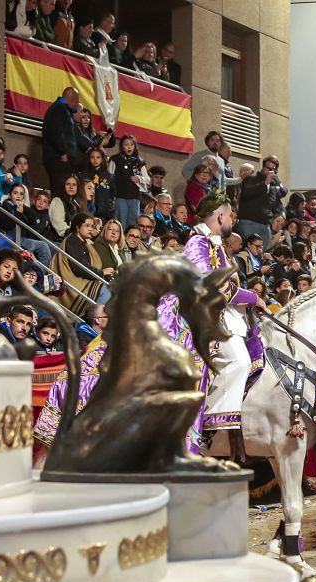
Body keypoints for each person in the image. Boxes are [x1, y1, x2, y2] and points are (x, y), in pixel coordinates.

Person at [157, 190, 268, 460]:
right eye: (230, 215)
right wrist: (253, 297)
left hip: (212, 316)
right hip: (188, 318)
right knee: (238, 359)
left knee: (246, 359)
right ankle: (206, 424)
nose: (233, 220)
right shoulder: (198, 243)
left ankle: (212, 423)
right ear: (220, 216)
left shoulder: (215, 244)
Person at [53, 212, 111, 315]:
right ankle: (93, 320)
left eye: (93, 226)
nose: (91, 229)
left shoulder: (84, 243)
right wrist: (101, 273)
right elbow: (78, 267)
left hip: (83, 281)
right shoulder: (72, 241)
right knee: (106, 290)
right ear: (77, 227)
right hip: (73, 284)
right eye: (87, 226)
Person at [0, 183, 53, 266]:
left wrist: (24, 209)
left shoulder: (21, 207)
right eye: (15, 193)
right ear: (9, 194)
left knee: (51, 247)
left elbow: (33, 219)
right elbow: (7, 225)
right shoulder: (5, 206)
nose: (18, 196)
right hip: (11, 239)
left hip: (21, 238)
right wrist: (17, 212)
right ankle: (40, 273)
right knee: (43, 246)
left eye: (21, 194)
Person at [42, 87, 80, 189]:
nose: (78, 105)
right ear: (72, 100)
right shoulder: (59, 109)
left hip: (60, 160)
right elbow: (55, 133)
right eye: (78, 101)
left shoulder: (62, 109)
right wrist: (63, 153)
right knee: (60, 192)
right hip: (58, 160)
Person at [107, 135, 148, 228]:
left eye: (132, 144)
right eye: (126, 144)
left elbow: (147, 179)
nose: (129, 147)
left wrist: (139, 178)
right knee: (120, 222)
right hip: (120, 196)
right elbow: (108, 176)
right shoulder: (115, 159)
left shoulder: (139, 161)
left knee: (133, 223)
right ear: (122, 146)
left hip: (135, 198)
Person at [82, 147, 115, 220]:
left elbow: (112, 193)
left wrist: (108, 207)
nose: (95, 160)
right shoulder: (84, 175)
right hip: (87, 210)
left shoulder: (108, 176)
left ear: (102, 159)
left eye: (98, 157)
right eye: (92, 157)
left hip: (103, 211)